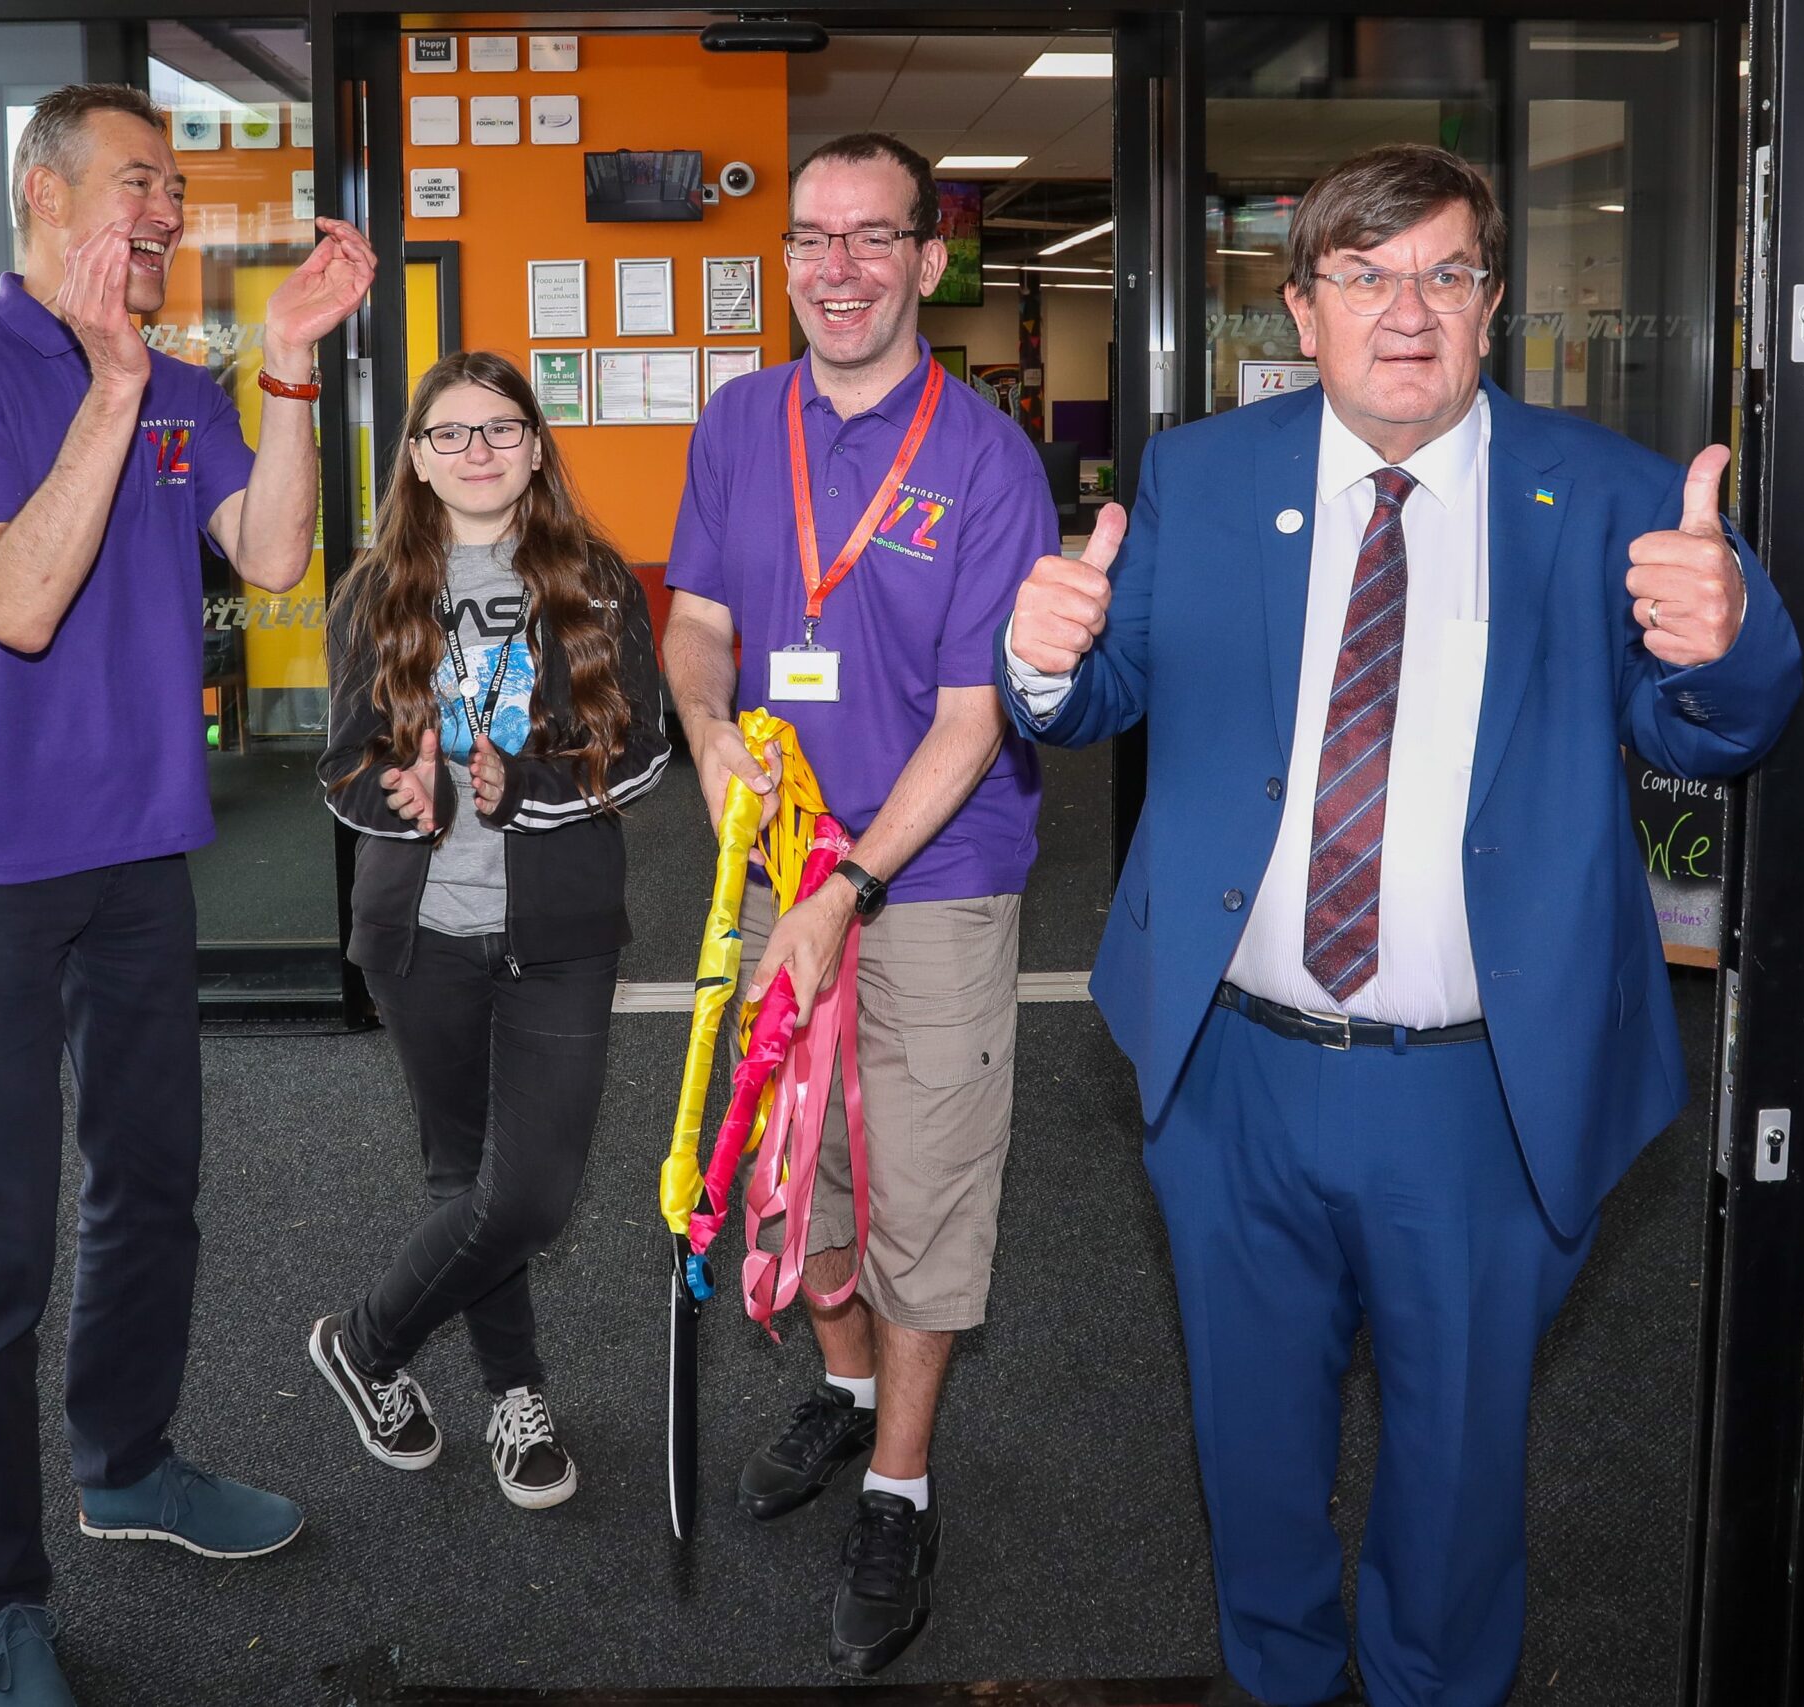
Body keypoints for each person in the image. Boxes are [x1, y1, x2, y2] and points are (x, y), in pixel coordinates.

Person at [1001, 144, 1802, 1707]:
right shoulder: (1202, 477)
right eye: (1365, 276)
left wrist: (1731, 642)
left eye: (1446, 273)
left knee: (1458, 1462)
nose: (1409, 310)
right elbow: (1102, 689)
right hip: (1232, 1068)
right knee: (1250, 1439)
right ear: (1303, 312)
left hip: (1481, 1086)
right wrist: (1040, 658)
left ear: (1493, 305)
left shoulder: (1608, 492)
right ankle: (1281, 1673)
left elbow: (1707, 728)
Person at [0, 83, 374, 1707]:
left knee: (151, 1187)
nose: (166, 212)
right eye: (139, 182)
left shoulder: (182, 384)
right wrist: (110, 385)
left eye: (177, 191)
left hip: (140, 854)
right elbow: (15, 602)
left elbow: (276, 554)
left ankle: (130, 1463)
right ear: (45, 192)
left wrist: (285, 364)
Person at [660, 131, 1058, 1676]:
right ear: (785, 262)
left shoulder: (986, 459)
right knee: (797, 1159)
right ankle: (840, 1391)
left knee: (928, 1188)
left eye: (872, 236)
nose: (838, 267)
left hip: (934, 879)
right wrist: (706, 729)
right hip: (783, 866)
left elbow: (973, 718)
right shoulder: (736, 421)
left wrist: (851, 886)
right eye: (812, 238)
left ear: (926, 260)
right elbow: (700, 621)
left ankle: (901, 1483)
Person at [310, 351, 668, 1511]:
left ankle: (364, 1341)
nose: (477, 451)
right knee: (463, 1175)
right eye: (449, 434)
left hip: (558, 931)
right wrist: (401, 796)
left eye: (501, 429)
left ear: (534, 445)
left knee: (531, 1196)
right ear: (415, 458)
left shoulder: (595, 580)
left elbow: (643, 751)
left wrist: (522, 788)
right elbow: (341, 767)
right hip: (420, 937)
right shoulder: (373, 592)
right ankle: (516, 1394)